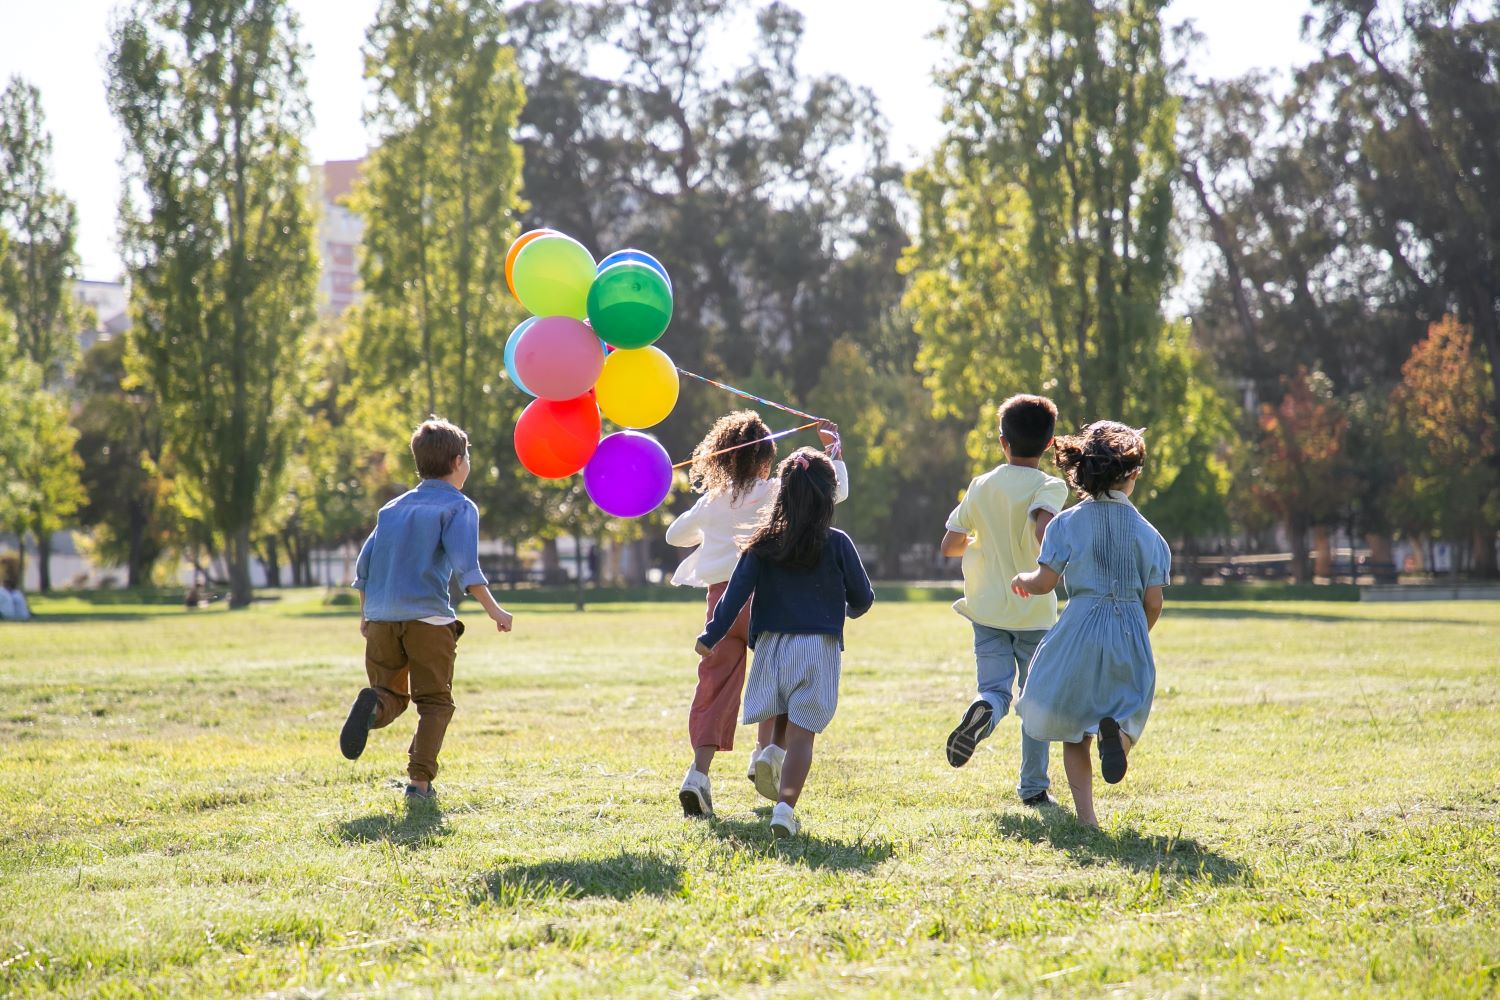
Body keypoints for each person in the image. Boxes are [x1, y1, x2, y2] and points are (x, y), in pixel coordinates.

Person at [667, 412, 848, 818]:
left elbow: (673, 535)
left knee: (714, 688)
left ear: (722, 459)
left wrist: (710, 519)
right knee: (780, 679)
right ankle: (765, 753)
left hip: (721, 605)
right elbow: (834, 493)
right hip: (766, 601)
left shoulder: (712, 501)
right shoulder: (774, 492)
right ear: (767, 458)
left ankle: (698, 774)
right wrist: (833, 450)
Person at [695, 448, 874, 837]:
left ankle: (770, 753)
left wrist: (711, 635)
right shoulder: (838, 542)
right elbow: (863, 597)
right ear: (829, 497)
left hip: (772, 647)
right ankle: (784, 809)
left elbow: (734, 595)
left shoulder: (762, 543)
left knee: (779, 710)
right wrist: (849, 610)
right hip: (818, 648)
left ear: (782, 494)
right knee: (803, 736)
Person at [339, 418, 515, 803]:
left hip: (383, 618)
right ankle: (419, 784)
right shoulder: (458, 507)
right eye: (467, 457)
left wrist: (366, 615)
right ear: (457, 462)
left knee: (390, 694)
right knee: (434, 702)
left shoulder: (392, 508)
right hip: (428, 619)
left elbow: (364, 566)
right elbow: (467, 568)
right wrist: (496, 611)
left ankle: (373, 707)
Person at [1011, 421, 1170, 828]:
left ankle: (1087, 820)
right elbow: (1154, 601)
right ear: (1131, 474)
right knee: (1129, 709)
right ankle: (1118, 739)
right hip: (1129, 628)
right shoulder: (1151, 536)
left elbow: (1045, 583)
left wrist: (1023, 580)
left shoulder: (1065, 523)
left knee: (1073, 727)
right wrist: (1137, 632)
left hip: (1079, 627)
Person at [939, 394, 1068, 807]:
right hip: (1032, 610)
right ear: (1049, 445)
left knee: (994, 689)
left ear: (1002, 442)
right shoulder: (1050, 485)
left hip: (987, 609)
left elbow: (950, 544)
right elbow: (1043, 530)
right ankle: (1033, 788)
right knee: (1035, 699)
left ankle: (983, 710)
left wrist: (984, 541)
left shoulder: (981, 484)